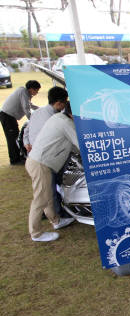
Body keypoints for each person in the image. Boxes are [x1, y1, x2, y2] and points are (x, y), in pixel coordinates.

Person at [25, 102, 77, 242]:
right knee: (40, 199)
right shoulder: (66, 123)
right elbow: (79, 143)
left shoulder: (59, 118)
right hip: (41, 164)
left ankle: (56, 221)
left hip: (39, 162)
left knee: (47, 195)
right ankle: (36, 234)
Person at [1, 79, 40, 164]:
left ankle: (18, 157)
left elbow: (30, 105)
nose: (37, 93)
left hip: (10, 116)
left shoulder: (26, 93)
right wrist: (32, 120)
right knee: (12, 138)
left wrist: (42, 109)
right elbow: (26, 107)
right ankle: (14, 160)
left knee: (16, 136)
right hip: (7, 116)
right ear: (31, 89)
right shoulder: (23, 92)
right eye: (36, 90)